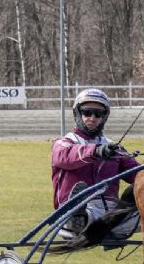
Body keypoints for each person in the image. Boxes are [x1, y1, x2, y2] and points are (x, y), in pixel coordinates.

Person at [51, 88, 139, 237]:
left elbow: (138, 175)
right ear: (77, 113)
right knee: (82, 214)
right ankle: (77, 217)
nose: (92, 118)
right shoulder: (64, 142)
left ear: (104, 117)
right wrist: (96, 151)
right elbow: (65, 157)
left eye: (99, 114)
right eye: (87, 112)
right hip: (75, 211)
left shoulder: (113, 147)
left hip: (112, 216)